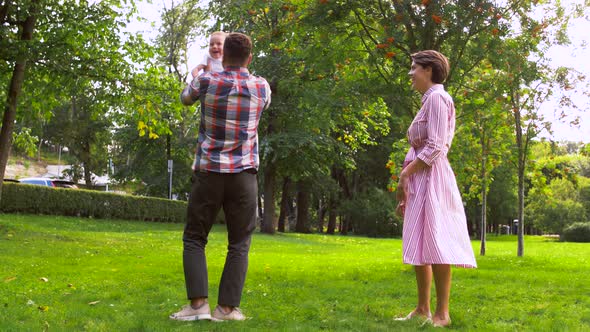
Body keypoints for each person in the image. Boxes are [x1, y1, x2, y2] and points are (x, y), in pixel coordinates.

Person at [170, 32, 271, 322]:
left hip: (210, 172)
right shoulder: (261, 87)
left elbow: (185, 98)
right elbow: (263, 106)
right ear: (249, 58)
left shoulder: (206, 82)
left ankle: (198, 305)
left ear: (222, 55)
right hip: (244, 176)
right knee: (239, 242)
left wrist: (195, 75)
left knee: (194, 238)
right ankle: (226, 309)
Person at [395, 50, 477, 328]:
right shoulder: (427, 101)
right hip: (420, 177)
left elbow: (437, 145)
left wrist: (407, 173)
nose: (410, 74)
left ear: (429, 70)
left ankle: (442, 313)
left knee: (437, 240)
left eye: (414, 68)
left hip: (432, 177)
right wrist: (406, 179)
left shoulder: (439, 99)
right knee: (420, 240)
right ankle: (422, 309)